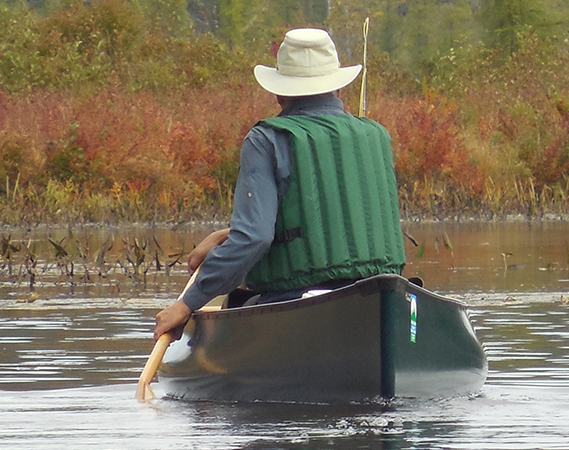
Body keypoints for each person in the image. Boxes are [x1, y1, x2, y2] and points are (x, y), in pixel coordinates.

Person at [153, 28, 405, 341]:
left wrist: (187, 304)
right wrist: (223, 238)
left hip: (298, 303)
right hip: (388, 299)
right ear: (338, 90)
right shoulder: (377, 135)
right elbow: (330, 223)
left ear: (279, 93)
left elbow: (254, 238)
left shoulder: (266, 140)